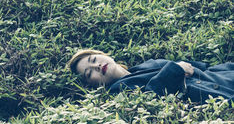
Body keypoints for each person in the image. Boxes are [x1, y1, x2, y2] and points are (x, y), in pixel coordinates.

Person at [68, 49, 234, 104]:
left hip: (222, 77)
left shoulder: (148, 63)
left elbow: (199, 66)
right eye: (90, 73)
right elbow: (149, 97)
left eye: (94, 59)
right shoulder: (117, 91)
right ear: (91, 84)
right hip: (212, 94)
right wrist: (175, 69)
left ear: (102, 54)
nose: (96, 66)